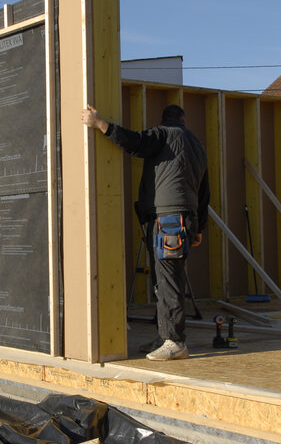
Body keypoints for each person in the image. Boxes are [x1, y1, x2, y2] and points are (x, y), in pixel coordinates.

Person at [82, 103, 210, 361]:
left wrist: (100, 124)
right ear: (184, 120)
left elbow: (136, 142)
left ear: (164, 121)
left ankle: (175, 341)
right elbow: (205, 190)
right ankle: (165, 336)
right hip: (183, 217)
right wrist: (200, 227)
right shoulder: (197, 144)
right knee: (164, 280)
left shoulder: (164, 134)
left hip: (169, 218)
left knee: (168, 280)